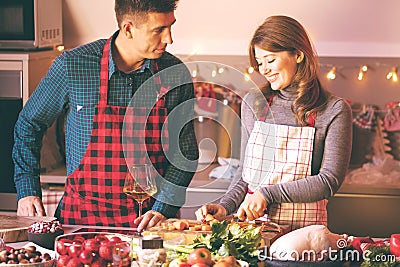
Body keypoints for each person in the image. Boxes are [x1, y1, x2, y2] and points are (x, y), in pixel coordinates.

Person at [13, 0, 198, 231]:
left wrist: (163, 208)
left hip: (149, 223)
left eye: (170, 26)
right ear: (128, 29)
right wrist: (27, 190)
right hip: (78, 222)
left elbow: (186, 153)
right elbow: (30, 123)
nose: (169, 38)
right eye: (159, 30)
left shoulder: (175, 74)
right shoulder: (73, 66)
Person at [196, 15, 352, 230]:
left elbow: (328, 181)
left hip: (303, 234)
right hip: (253, 230)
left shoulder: (333, 109)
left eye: (270, 60)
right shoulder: (254, 102)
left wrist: (267, 194)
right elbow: (245, 173)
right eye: (260, 63)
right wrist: (224, 206)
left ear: (298, 55)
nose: (264, 70)